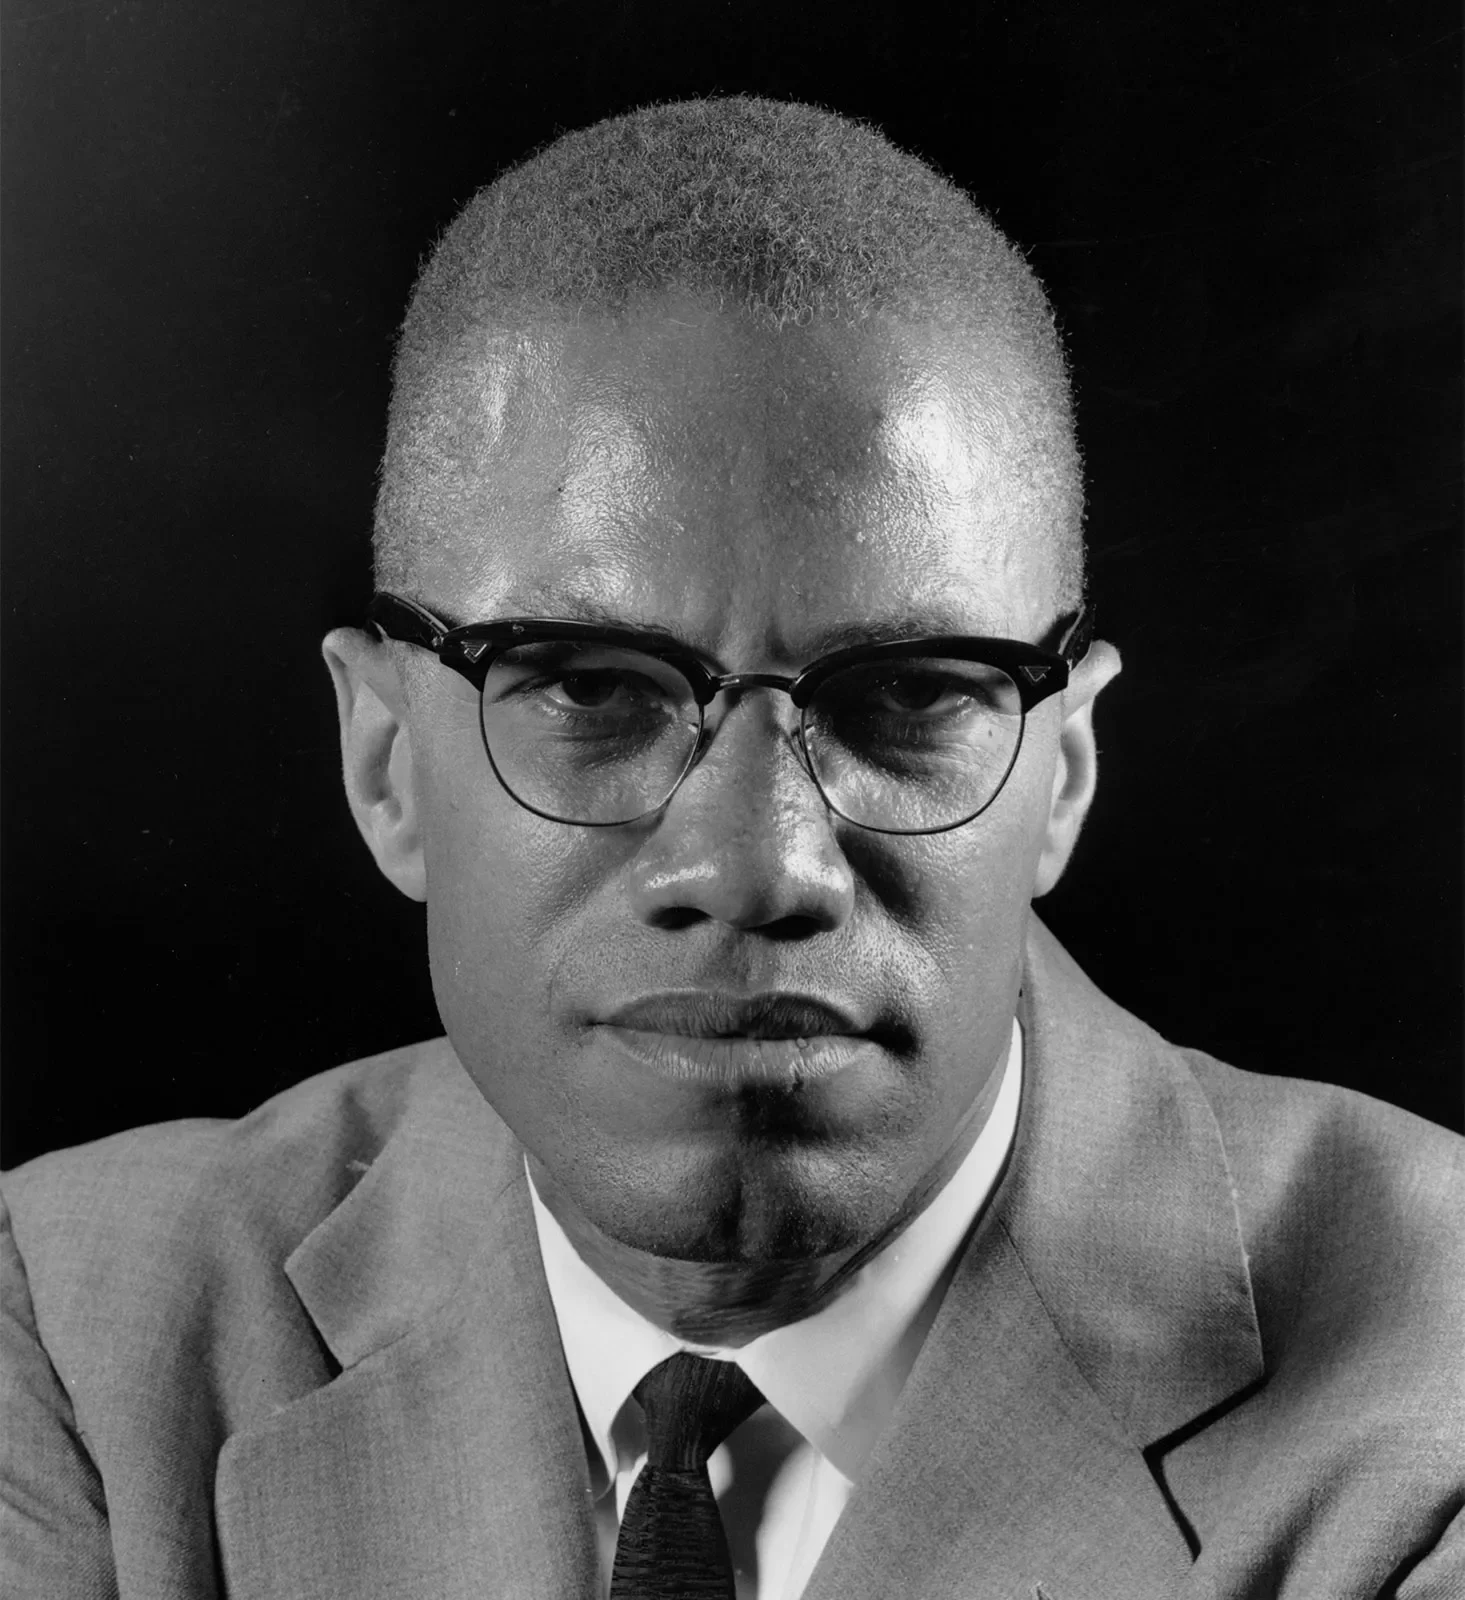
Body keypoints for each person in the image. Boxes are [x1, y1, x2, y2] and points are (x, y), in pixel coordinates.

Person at [2, 97, 1460, 1600]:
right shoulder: (70, 1330)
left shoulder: (1437, 1391)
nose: (761, 869)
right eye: (587, 688)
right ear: (385, 763)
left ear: (1066, 771)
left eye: (910, 698)